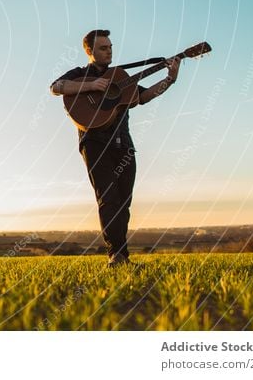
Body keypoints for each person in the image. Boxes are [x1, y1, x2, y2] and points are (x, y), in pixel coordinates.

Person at [50, 30, 180, 266]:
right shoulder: (81, 74)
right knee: (108, 199)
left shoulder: (120, 76)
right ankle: (116, 256)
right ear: (89, 51)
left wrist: (169, 80)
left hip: (124, 144)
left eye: (110, 47)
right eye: (102, 48)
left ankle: (122, 255)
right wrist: (91, 85)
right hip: (95, 143)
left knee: (124, 202)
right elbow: (56, 87)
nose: (109, 51)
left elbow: (143, 96)